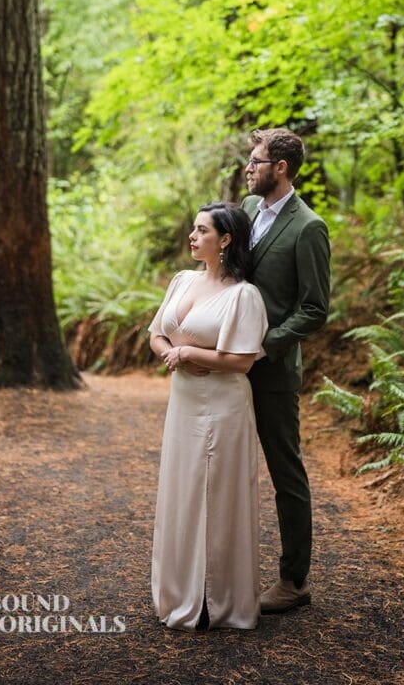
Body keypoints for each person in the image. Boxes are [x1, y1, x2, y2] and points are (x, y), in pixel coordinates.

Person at [149, 201, 268, 631]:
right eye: (193, 229)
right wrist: (174, 354)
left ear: (226, 239)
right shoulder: (182, 280)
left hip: (223, 404)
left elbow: (240, 361)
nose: (192, 237)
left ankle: (220, 600)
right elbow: (156, 334)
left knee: (218, 494)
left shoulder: (244, 295)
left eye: (202, 231)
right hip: (183, 400)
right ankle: (181, 594)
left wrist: (191, 352)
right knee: (182, 489)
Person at [241, 128, 330, 614]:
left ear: (280, 167)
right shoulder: (246, 209)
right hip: (226, 367)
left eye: (256, 161)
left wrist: (265, 345)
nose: (248, 168)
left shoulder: (308, 227)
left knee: (285, 473)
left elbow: (314, 308)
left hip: (272, 371)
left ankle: (293, 580)